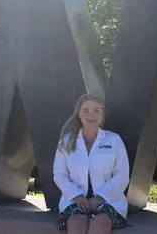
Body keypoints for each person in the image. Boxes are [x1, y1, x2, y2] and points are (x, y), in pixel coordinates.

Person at [53, 94, 129, 234]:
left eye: (96, 110)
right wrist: (77, 196)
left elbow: (122, 176)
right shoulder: (67, 141)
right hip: (74, 200)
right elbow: (59, 174)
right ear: (78, 114)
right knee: (77, 224)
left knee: (101, 224)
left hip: (108, 200)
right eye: (86, 110)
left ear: (102, 113)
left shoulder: (114, 140)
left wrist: (100, 198)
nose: (91, 115)